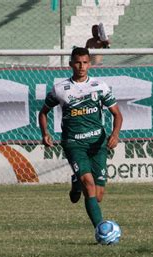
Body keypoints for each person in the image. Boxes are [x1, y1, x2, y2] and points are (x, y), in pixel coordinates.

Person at [38, 47, 123, 232]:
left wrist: (115, 135)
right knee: (89, 185)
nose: (81, 66)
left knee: (98, 195)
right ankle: (102, 230)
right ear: (70, 64)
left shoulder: (100, 86)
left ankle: (76, 182)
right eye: (77, 62)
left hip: (97, 144)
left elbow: (117, 114)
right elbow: (43, 112)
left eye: (85, 62)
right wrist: (45, 133)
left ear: (89, 64)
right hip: (74, 143)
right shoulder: (60, 89)